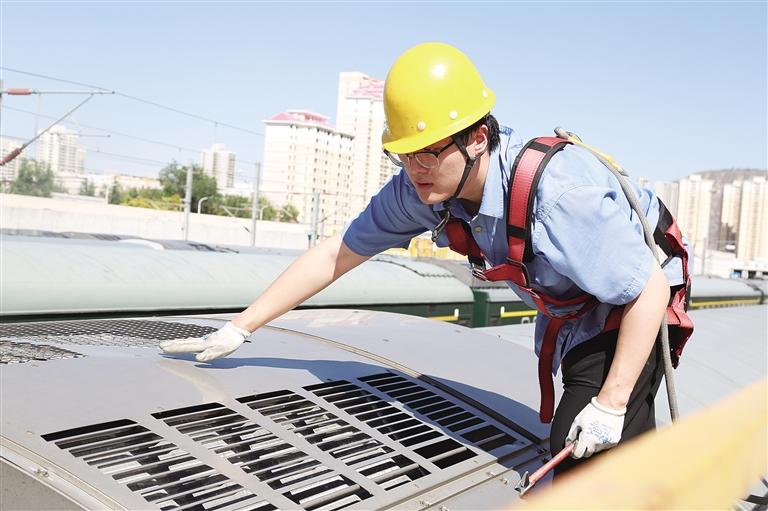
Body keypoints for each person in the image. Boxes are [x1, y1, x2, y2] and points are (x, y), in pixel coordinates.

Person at [161, 42, 687, 477]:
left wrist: (612, 403)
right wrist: (241, 328)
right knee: (608, 454)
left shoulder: (556, 192)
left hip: (634, 300)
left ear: (478, 139)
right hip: (573, 306)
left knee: (582, 457)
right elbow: (336, 253)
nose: (415, 167)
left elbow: (646, 289)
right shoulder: (423, 188)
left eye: (429, 151)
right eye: (404, 152)